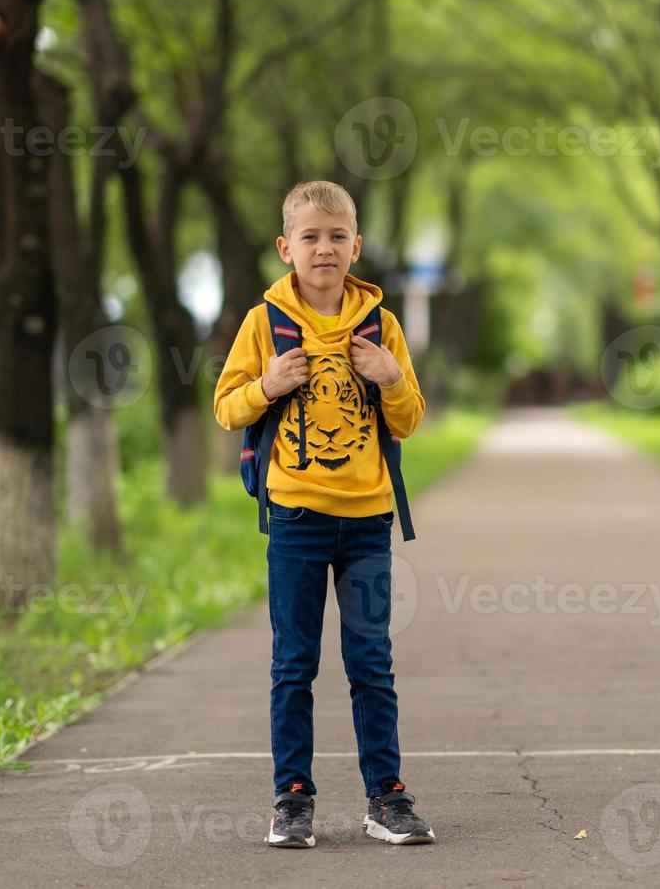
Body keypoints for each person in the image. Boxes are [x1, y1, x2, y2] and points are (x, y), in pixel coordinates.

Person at [212, 180, 434, 848]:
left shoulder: (382, 327)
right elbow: (227, 408)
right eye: (310, 236)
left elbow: (411, 417)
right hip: (297, 522)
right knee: (293, 664)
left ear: (357, 246)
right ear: (287, 248)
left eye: (338, 236)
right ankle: (293, 798)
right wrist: (267, 384)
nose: (325, 248)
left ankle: (386, 798)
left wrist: (390, 377)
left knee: (371, 661)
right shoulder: (264, 324)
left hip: (367, 521)